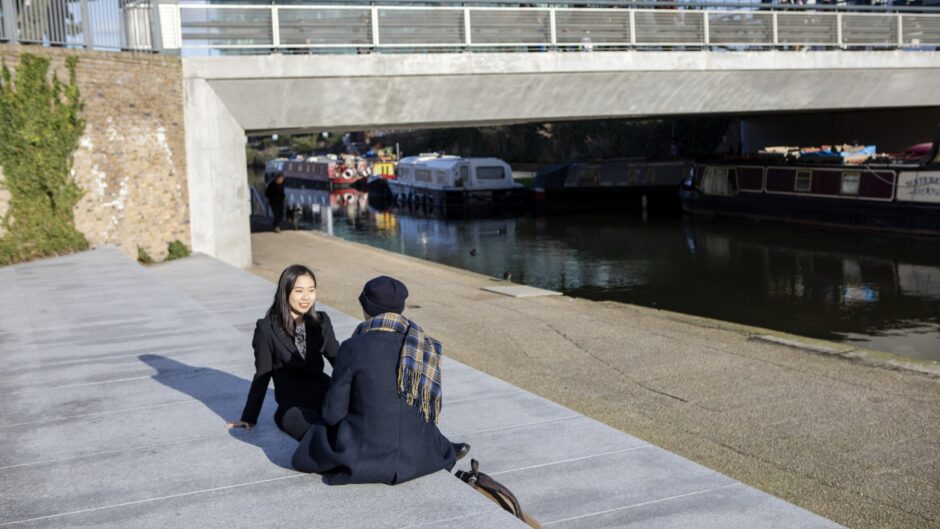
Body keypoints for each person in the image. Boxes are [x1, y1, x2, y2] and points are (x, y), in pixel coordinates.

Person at [291, 276, 470, 484]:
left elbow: (333, 414)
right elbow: (427, 404)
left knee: (308, 428)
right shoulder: (422, 344)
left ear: (366, 308)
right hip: (418, 455)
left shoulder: (353, 346)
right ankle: (440, 445)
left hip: (368, 457)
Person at [226, 265, 338, 440]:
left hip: (325, 394)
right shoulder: (267, 328)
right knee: (317, 435)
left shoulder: (322, 321)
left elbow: (337, 359)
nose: (306, 297)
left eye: (311, 290)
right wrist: (249, 417)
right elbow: (262, 374)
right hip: (292, 405)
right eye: (299, 291)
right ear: (285, 292)